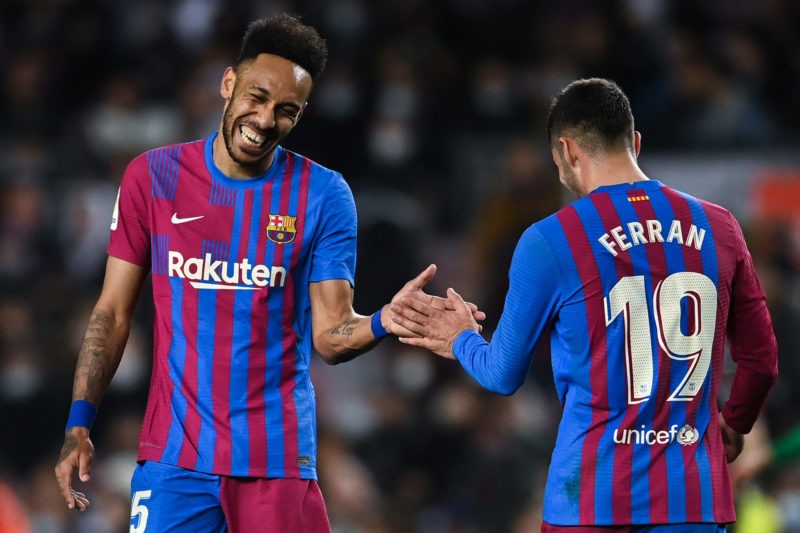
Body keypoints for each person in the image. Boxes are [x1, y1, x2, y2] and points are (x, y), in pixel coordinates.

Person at [53, 14, 483, 532]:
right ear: (228, 83)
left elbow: (330, 335)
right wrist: (80, 421)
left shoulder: (323, 195)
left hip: (273, 462)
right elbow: (112, 312)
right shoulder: (153, 177)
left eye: (286, 111)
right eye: (256, 97)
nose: (264, 120)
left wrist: (383, 322)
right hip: (174, 458)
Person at [391, 78, 779, 532]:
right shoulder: (720, 227)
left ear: (568, 151)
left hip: (591, 499)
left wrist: (460, 339)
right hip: (691, 497)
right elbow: (762, 361)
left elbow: (500, 375)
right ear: (634, 142)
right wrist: (735, 423)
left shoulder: (550, 240)